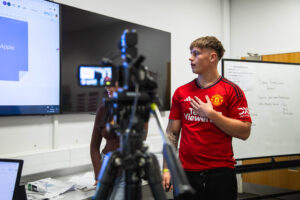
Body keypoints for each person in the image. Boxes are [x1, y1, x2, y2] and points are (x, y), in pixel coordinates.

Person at [162, 36, 252, 200]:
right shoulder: (181, 92)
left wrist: (212, 115)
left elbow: (245, 132)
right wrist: (167, 169)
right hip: (185, 173)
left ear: (212, 57)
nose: (190, 58)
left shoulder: (232, 90)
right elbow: (172, 133)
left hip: (220, 174)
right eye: (191, 54)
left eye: (196, 54)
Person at [90, 83, 148, 200]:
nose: (107, 87)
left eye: (112, 84)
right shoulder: (103, 109)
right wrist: (98, 175)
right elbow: (94, 147)